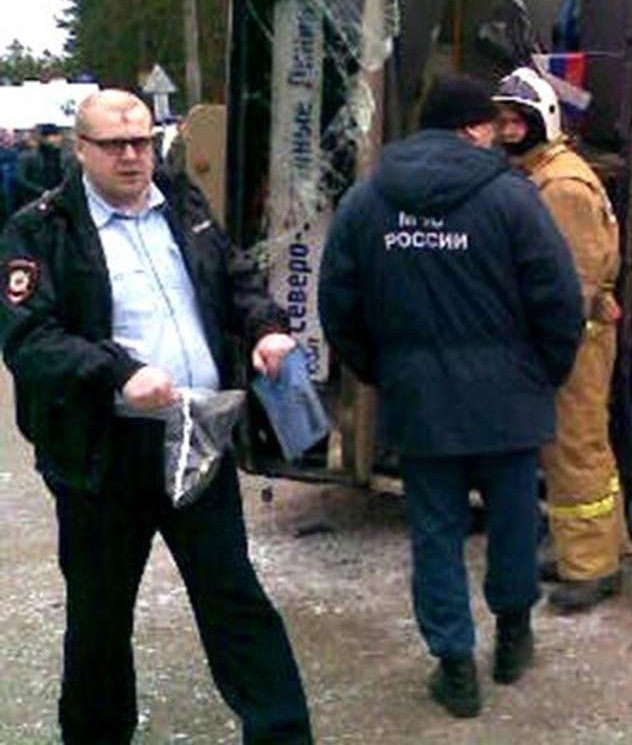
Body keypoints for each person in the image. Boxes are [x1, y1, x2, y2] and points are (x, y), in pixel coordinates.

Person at [0, 90, 312, 745]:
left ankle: (283, 733)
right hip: (103, 457)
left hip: (197, 437)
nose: (133, 155)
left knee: (233, 597)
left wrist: (264, 328)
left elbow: (235, 279)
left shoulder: (184, 206)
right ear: (81, 149)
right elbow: (28, 340)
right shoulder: (41, 228)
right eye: (114, 144)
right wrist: (117, 373)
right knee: (100, 617)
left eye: (141, 140)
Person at [318, 74, 583, 719]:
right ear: (471, 128)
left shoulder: (369, 199)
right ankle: (513, 639)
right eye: (490, 123)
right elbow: (559, 297)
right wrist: (544, 372)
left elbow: (338, 303)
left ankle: (455, 667)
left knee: (435, 533)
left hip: (419, 401)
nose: (496, 133)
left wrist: (383, 370)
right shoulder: (513, 198)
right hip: (509, 398)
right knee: (515, 520)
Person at [493, 68, 627, 613]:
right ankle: (598, 548)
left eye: (515, 121)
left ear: (541, 122)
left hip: (574, 338)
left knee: (574, 448)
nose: (506, 131)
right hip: (578, 334)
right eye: (500, 120)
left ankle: (590, 567)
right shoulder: (547, 174)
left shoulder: (561, 187)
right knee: (582, 443)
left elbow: (572, 279)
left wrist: (545, 341)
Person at [13, 121, 70, 208]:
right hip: (34, 200)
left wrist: (58, 191)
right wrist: (42, 192)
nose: (57, 139)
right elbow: (20, 179)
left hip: (59, 200)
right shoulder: (27, 157)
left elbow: (69, 177)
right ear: (44, 138)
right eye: (53, 136)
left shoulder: (66, 156)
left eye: (57, 136)